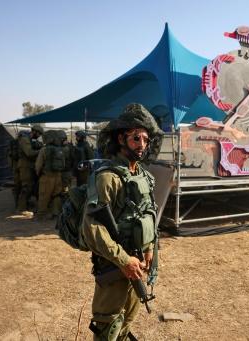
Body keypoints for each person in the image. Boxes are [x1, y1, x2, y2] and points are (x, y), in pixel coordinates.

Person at [80, 103, 163, 340]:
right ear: (121, 138)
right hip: (114, 265)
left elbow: (149, 215)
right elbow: (92, 229)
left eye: (146, 140)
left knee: (127, 320)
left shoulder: (144, 176)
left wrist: (149, 250)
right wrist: (124, 260)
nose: (142, 145)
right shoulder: (107, 178)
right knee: (108, 326)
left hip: (137, 264)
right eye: (136, 138)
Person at [35, 130, 64, 220]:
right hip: (58, 176)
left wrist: (38, 173)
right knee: (57, 195)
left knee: (44, 196)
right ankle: (55, 214)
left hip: (47, 176)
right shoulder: (60, 149)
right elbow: (63, 164)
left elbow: (38, 165)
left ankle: (41, 215)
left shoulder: (44, 150)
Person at [16, 125, 43, 213]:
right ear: (34, 131)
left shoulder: (30, 139)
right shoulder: (24, 139)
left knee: (31, 186)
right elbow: (29, 153)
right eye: (38, 133)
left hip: (29, 165)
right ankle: (21, 208)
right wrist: (42, 151)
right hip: (24, 165)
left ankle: (25, 205)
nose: (39, 136)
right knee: (26, 186)